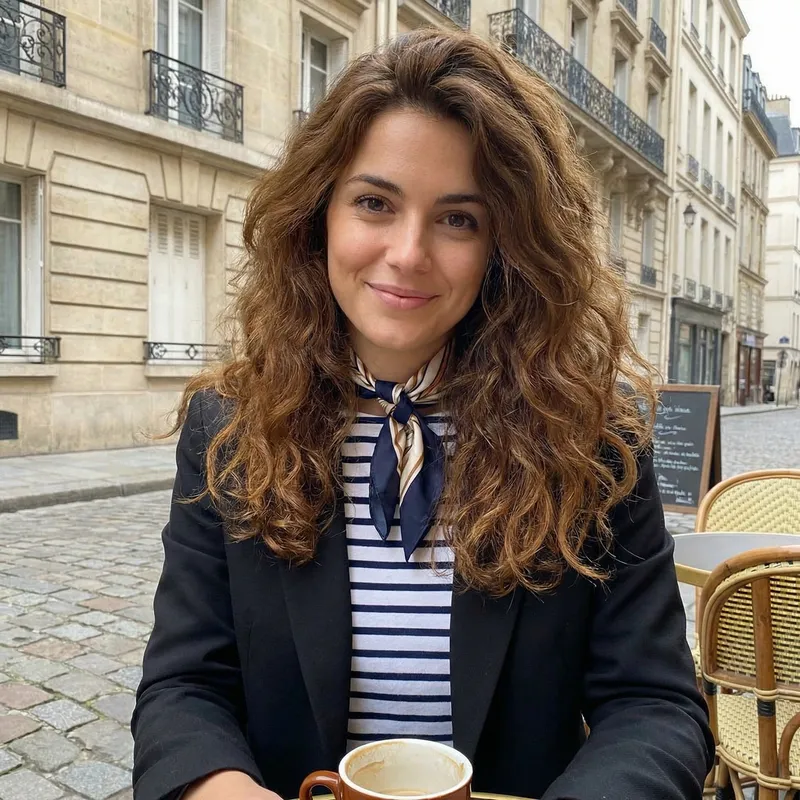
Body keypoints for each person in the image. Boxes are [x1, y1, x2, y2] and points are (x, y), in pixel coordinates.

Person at [132, 28, 714, 800]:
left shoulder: (595, 441)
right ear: (319, 218)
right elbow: (183, 686)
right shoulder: (230, 430)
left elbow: (655, 706)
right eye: (375, 202)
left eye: (458, 219)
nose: (408, 253)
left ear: (506, 245)